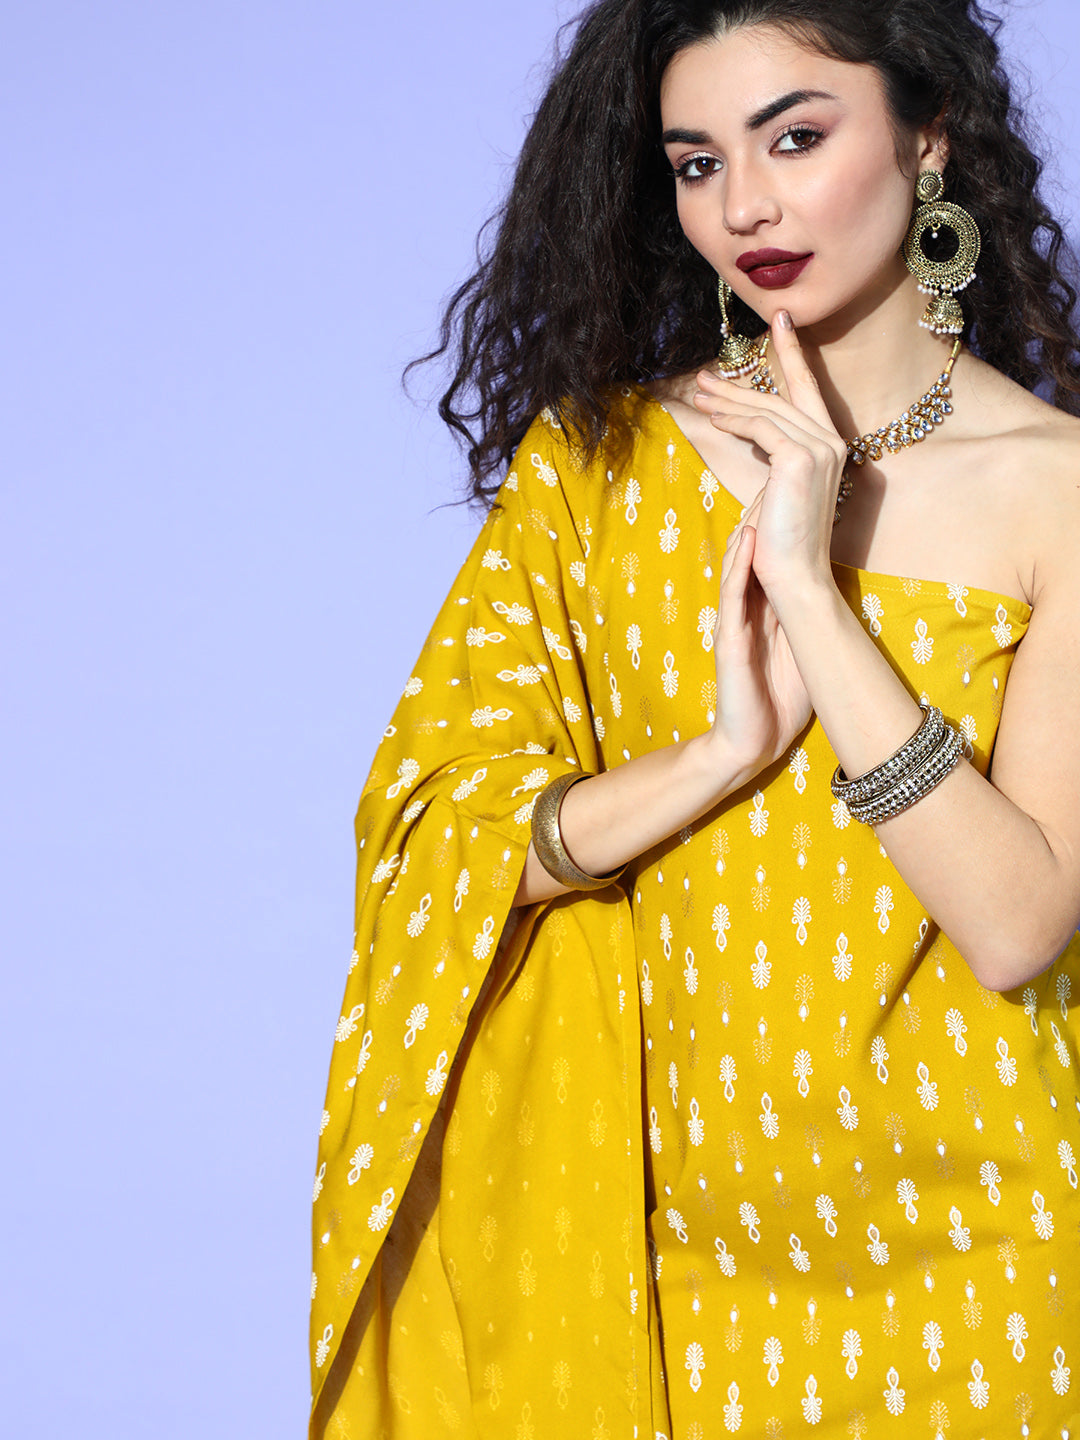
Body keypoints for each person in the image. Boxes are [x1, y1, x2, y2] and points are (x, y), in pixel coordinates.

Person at [310, 1, 1080, 1435]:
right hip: (645, 1260)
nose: (745, 207)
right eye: (698, 162)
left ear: (927, 139)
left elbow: (1019, 921)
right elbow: (431, 846)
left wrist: (811, 592)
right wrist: (721, 755)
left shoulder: (1061, 493)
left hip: (975, 1263)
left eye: (795, 138)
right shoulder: (596, 472)